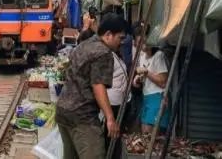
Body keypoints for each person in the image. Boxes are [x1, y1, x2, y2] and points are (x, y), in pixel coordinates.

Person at [56, 13, 127, 159]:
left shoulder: (85, 44)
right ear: (108, 35)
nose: (122, 43)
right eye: (120, 38)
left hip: (63, 111)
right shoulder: (104, 53)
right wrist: (110, 118)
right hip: (82, 116)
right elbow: (98, 86)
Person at [134, 45, 169, 133]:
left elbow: (163, 83)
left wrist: (146, 72)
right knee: (145, 132)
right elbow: (144, 76)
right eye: (139, 42)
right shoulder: (142, 56)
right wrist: (137, 80)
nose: (142, 44)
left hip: (158, 96)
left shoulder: (159, 55)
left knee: (150, 132)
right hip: (146, 96)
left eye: (144, 41)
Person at [105, 50, 131, 159]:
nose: (121, 41)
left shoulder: (116, 55)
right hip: (113, 103)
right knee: (112, 135)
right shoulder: (107, 56)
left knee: (117, 135)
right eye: (119, 38)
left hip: (122, 102)